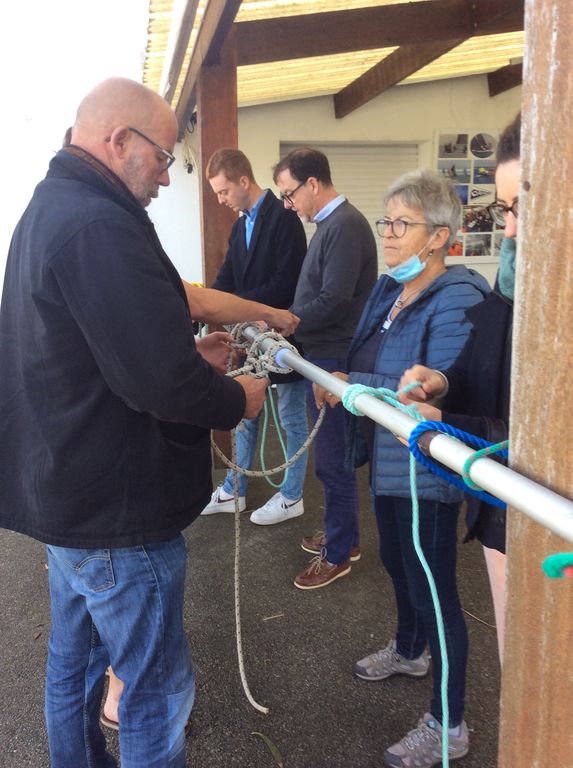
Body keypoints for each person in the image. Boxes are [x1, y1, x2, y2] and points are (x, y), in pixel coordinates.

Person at [0, 77, 281, 768]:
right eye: (162, 157)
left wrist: (185, 355)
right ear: (119, 139)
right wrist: (230, 399)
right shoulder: (96, 223)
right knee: (152, 690)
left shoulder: (53, 208)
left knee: (73, 666)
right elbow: (151, 381)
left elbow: (100, 352)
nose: (165, 174)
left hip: (73, 498)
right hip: (114, 511)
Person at [315, 169, 490, 767]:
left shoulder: (460, 295)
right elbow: (371, 357)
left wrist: (350, 384)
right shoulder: (392, 290)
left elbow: (427, 391)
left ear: (440, 237)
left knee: (436, 588)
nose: (386, 235)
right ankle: (409, 650)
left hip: (425, 466)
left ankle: (449, 726)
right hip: (388, 456)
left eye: (400, 224)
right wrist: (337, 377)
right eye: (385, 221)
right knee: (396, 561)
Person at [399, 113, 520, 664]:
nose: (511, 229)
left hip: (539, 518)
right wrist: (443, 381)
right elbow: (481, 363)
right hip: (504, 509)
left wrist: (451, 428)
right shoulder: (509, 281)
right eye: (506, 210)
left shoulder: (464, 289)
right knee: (519, 666)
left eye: (402, 224)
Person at [273, 147, 378, 589]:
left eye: (290, 193)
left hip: (335, 358)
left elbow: (334, 299)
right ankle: (344, 537)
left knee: (332, 461)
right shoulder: (330, 226)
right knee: (330, 458)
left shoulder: (346, 226)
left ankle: (338, 554)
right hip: (322, 355)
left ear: (312, 183)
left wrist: (287, 320)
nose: (288, 203)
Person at [201, 148, 309, 526]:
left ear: (243, 181)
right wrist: (206, 307)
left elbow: (287, 282)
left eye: (223, 191)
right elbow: (228, 279)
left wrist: (238, 308)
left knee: (292, 416)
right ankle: (235, 490)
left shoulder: (285, 219)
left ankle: (292, 495)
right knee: (246, 413)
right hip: (251, 336)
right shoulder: (239, 226)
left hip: (285, 337)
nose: (221, 200)